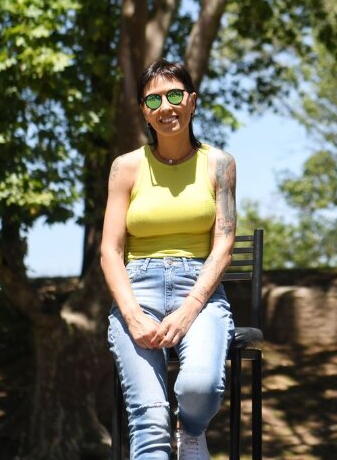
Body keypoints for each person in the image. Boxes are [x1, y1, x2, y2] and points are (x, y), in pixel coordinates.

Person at [100, 59, 237, 460]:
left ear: (192, 101)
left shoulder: (220, 164)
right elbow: (110, 250)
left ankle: (192, 431)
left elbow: (224, 243)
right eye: (154, 99)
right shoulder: (125, 167)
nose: (167, 106)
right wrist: (132, 314)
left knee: (199, 386)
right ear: (143, 110)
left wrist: (190, 308)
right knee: (150, 417)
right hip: (136, 290)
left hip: (200, 291)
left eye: (176, 95)